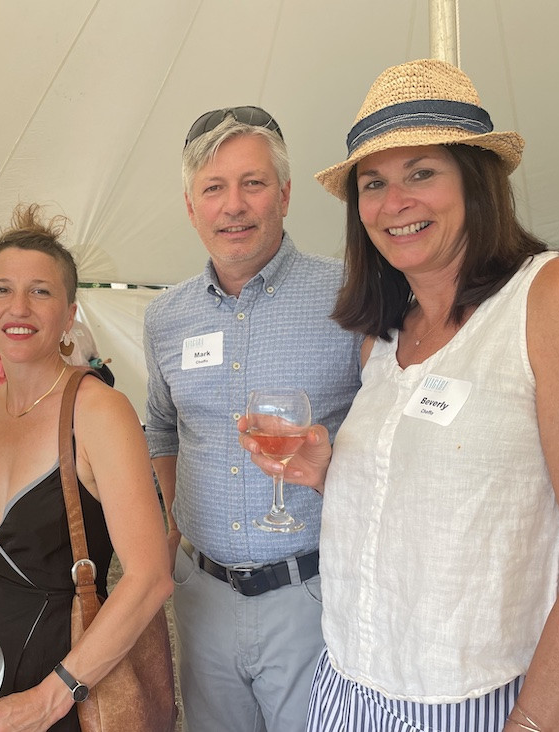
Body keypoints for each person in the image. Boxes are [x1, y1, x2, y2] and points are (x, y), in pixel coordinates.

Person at [241, 58, 559, 730]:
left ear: (475, 181)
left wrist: (538, 721)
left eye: (421, 172)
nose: (394, 202)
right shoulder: (385, 340)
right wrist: (327, 474)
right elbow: (432, 508)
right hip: (347, 688)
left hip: (477, 699)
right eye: (374, 183)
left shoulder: (550, 299)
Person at [143, 107, 362, 731]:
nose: (233, 205)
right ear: (191, 207)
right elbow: (161, 428)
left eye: (253, 183)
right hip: (202, 595)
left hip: (313, 592)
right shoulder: (166, 318)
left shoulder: (350, 295)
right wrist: (174, 525)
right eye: (213, 188)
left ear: (286, 194)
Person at [0, 204, 171, 732]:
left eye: (41, 291)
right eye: (2, 289)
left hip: (65, 688)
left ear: (69, 313)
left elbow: (150, 578)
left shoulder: (99, 410)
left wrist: (47, 700)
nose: (19, 306)